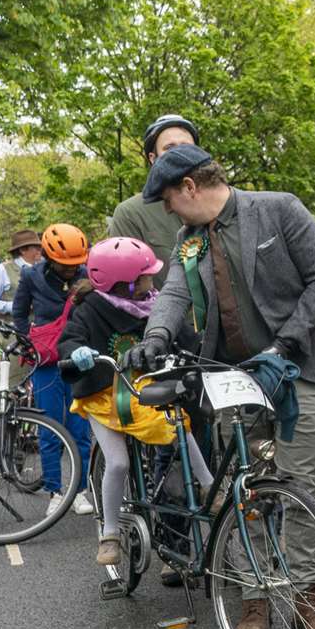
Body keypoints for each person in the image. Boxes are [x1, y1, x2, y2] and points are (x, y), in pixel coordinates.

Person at [126, 144, 315, 629]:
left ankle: (307, 594)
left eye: (169, 198)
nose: (167, 210)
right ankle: (254, 592)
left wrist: (284, 342)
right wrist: (154, 340)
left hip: (301, 367)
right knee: (244, 486)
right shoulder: (188, 240)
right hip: (233, 374)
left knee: (298, 487)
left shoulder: (278, 208)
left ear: (190, 187)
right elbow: (173, 294)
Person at [62, 238, 217, 567]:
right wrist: (76, 352)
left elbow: (184, 338)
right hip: (101, 398)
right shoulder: (89, 308)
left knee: (179, 427)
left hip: (142, 393)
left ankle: (208, 488)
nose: (152, 281)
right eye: (146, 276)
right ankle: (111, 532)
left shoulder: (154, 304)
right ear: (124, 283)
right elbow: (70, 338)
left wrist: (206, 350)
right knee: (117, 463)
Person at [13, 224, 95, 510]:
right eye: (66, 264)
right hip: (47, 362)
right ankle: (55, 492)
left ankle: (81, 490)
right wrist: (28, 343)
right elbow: (20, 312)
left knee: (80, 429)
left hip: (79, 358)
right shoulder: (30, 276)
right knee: (49, 428)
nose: (73, 269)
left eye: (77, 263)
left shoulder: (87, 275)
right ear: (49, 257)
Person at [107, 114, 198, 286]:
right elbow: (126, 290)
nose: (179, 154)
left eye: (186, 146)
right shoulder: (130, 213)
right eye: (169, 148)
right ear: (153, 158)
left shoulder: (217, 204)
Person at [0, 230, 41, 316]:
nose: (40, 250)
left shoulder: (42, 269)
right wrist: (17, 306)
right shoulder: (1, 270)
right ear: (23, 250)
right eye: (36, 247)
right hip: (12, 327)